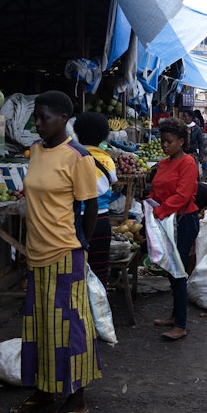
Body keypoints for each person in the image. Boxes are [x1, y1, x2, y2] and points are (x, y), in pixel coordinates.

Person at [10, 90, 100, 413]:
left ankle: (77, 399)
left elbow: (89, 206)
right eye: (37, 116)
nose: (38, 122)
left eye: (44, 117)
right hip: (35, 252)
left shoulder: (78, 157)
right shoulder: (34, 150)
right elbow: (40, 187)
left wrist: (83, 242)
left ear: (64, 118)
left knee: (69, 326)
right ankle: (45, 390)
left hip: (65, 253)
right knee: (38, 326)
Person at [148, 117, 200, 340]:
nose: (165, 145)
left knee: (178, 270)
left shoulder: (188, 163)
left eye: (169, 141)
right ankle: (174, 315)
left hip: (183, 220)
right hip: (167, 219)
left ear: (181, 141)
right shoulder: (163, 163)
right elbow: (157, 189)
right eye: (163, 141)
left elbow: (183, 194)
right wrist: (150, 202)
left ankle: (181, 324)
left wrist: (159, 211)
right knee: (170, 268)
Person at [73, 112, 117, 291]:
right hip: (101, 221)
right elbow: (111, 181)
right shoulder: (107, 160)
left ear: (76, 133)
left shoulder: (72, 156)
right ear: (104, 136)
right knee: (99, 272)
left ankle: (76, 313)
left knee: (75, 270)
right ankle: (98, 311)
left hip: (74, 220)